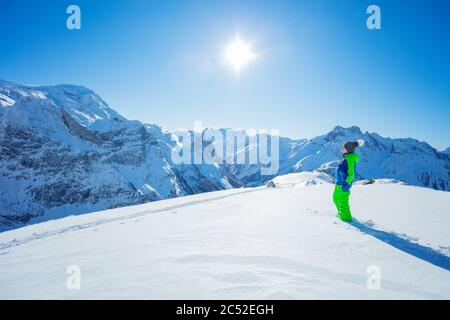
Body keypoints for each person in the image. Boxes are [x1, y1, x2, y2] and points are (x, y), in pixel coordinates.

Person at [333, 139, 364, 222]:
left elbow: (351, 173)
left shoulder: (349, 159)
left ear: (348, 149)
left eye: (344, 147)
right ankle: (341, 214)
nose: (342, 148)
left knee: (343, 202)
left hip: (343, 184)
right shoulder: (346, 157)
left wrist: (347, 183)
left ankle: (347, 219)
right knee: (335, 199)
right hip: (339, 183)